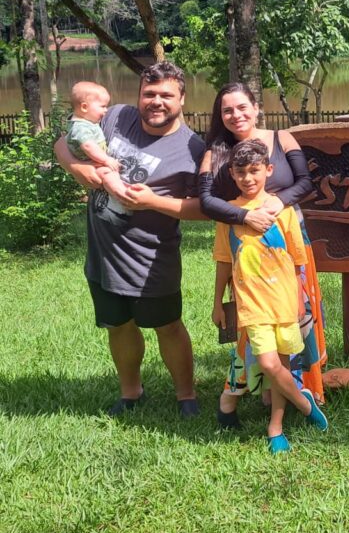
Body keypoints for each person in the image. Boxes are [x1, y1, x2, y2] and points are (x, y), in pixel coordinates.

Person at [54, 62, 207, 417]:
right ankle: (131, 392)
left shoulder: (193, 148)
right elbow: (63, 143)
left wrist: (153, 202)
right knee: (118, 325)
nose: (156, 101)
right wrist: (82, 171)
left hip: (151, 258)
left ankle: (186, 396)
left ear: (182, 98)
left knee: (168, 326)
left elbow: (204, 208)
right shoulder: (116, 117)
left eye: (166, 95)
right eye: (148, 94)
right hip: (104, 254)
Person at [198, 82, 327, 429]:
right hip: (243, 248)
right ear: (220, 116)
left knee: (296, 321)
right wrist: (244, 216)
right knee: (251, 327)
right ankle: (248, 391)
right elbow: (206, 200)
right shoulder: (216, 152)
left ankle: (296, 388)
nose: (236, 115)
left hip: (287, 239)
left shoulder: (282, 139)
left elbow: (305, 182)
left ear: (256, 107)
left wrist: (277, 202)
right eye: (227, 110)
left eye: (242, 107)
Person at [212, 139, 329, 453]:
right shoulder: (229, 213)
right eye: (241, 172)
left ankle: (275, 428)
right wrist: (217, 303)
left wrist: (297, 302)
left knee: (282, 362)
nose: (248, 178)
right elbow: (224, 261)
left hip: (284, 300)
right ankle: (305, 406)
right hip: (251, 304)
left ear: (269, 169)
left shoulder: (283, 209)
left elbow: (298, 261)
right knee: (267, 362)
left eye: (255, 170)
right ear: (232, 175)